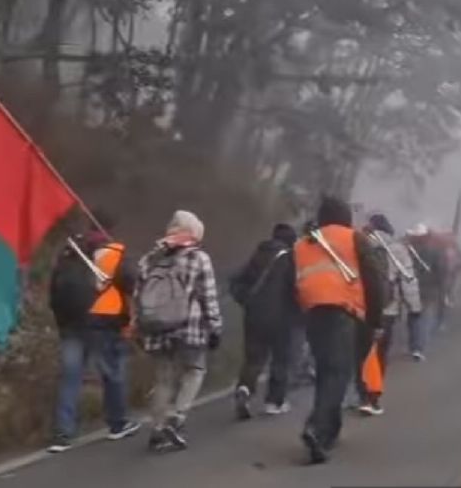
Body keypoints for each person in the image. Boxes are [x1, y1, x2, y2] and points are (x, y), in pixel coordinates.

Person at [296, 196, 386, 464]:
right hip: (344, 312)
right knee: (339, 372)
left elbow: (296, 282)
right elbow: (373, 280)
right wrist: (376, 319)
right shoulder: (354, 238)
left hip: (313, 314)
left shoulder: (303, 244)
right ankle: (317, 428)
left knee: (327, 371)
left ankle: (329, 432)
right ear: (345, 216)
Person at [47, 213, 140, 453]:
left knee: (70, 377)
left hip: (69, 323)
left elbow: (53, 289)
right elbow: (131, 282)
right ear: (109, 227)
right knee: (111, 372)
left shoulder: (70, 250)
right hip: (100, 321)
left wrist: (61, 321)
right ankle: (118, 424)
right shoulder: (113, 251)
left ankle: (63, 434)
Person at [137, 210, 223, 452]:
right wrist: (215, 327)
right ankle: (176, 418)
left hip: (156, 329)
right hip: (190, 329)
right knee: (195, 370)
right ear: (194, 233)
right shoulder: (198, 258)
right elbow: (208, 297)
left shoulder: (149, 259)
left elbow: (139, 297)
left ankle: (157, 430)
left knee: (163, 379)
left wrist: (140, 327)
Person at [230, 223, 301, 420]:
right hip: (281, 317)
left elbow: (236, 280)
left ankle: (245, 388)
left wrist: (245, 300)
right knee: (280, 359)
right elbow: (296, 289)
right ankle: (274, 402)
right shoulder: (289, 258)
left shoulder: (257, 255)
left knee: (254, 358)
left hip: (254, 315)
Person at [356, 213, 418, 416]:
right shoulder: (399, 249)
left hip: (361, 306)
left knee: (361, 352)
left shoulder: (360, 243)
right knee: (380, 353)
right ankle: (372, 396)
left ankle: (360, 394)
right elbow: (408, 280)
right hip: (388, 308)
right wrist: (414, 307)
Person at [406, 224, 446, 358]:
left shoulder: (408, 250)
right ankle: (418, 347)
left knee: (413, 317)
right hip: (428, 290)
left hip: (411, 288)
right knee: (423, 319)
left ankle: (414, 345)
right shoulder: (434, 252)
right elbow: (440, 271)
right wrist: (441, 288)